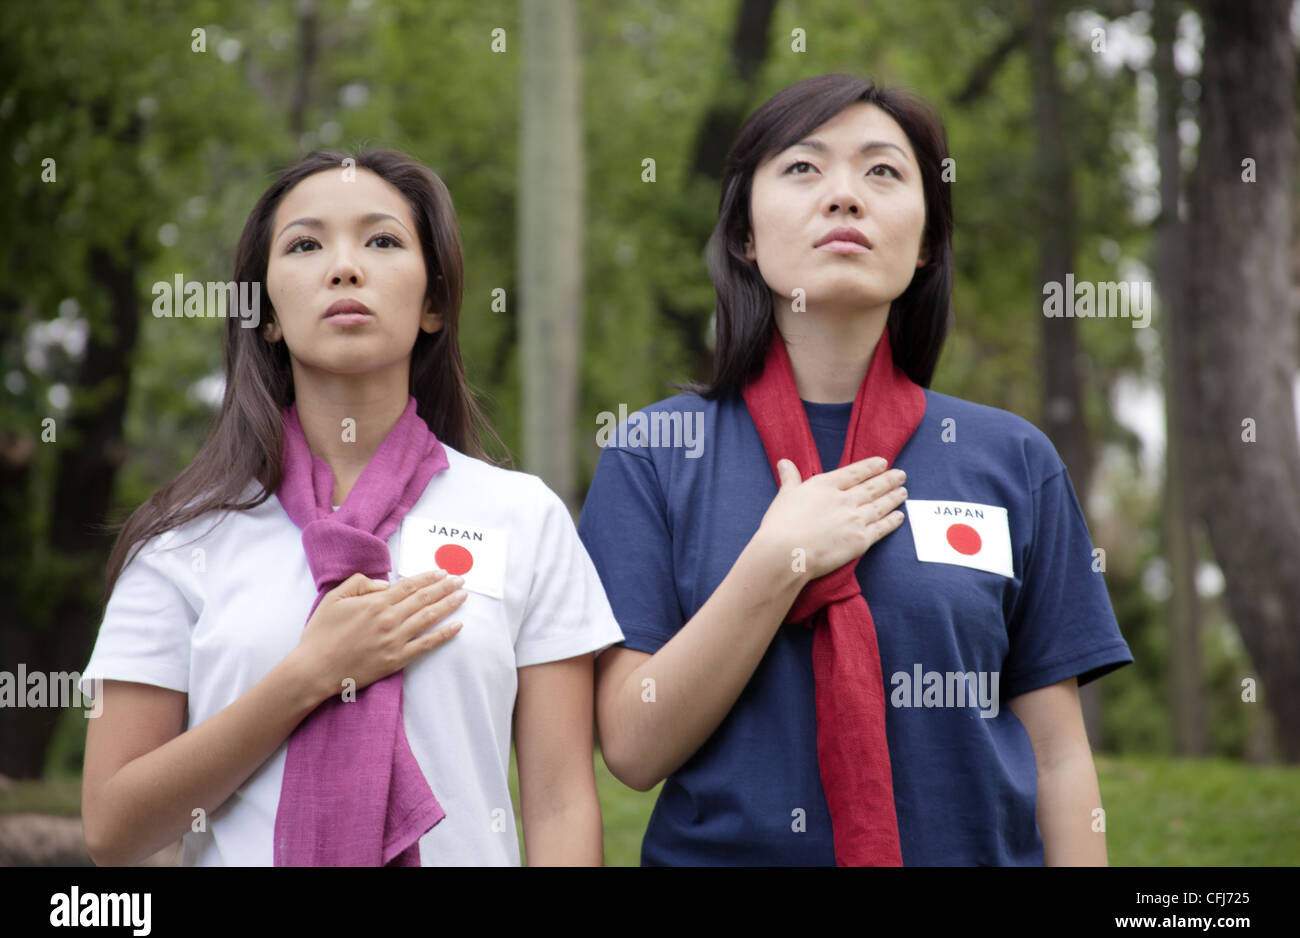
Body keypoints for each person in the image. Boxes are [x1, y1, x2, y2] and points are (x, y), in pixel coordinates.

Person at [579, 74, 1134, 866]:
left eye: (882, 171)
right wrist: (775, 564)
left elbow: (1060, 756)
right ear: (744, 234)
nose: (844, 195)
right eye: (803, 168)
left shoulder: (1013, 460)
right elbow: (631, 747)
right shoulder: (655, 454)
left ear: (927, 242)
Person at [80, 148, 622, 866]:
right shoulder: (184, 541)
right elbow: (114, 830)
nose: (344, 267)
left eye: (383, 240)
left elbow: (558, 805)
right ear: (266, 313)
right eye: (305, 244)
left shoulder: (522, 516)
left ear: (433, 302)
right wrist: (308, 676)